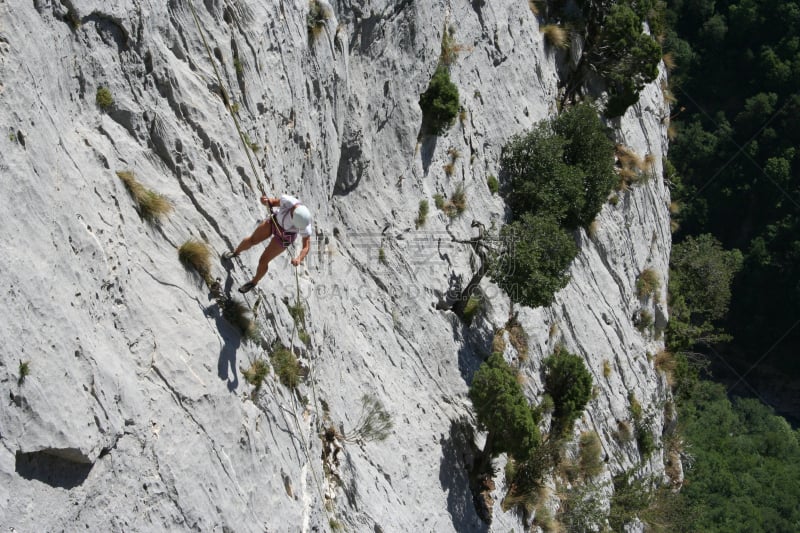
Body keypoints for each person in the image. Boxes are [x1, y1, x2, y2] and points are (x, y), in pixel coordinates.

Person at [222, 194, 313, 293]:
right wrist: (265, 201)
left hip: (285, 237)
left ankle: (253, 282)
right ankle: (235, 252)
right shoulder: (288, 201)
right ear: (292, 212)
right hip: (274, 222)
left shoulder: (304, 224)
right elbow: (272, 202)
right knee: (252, 240)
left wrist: (299, 258)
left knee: (263, 260)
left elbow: (306, 246)